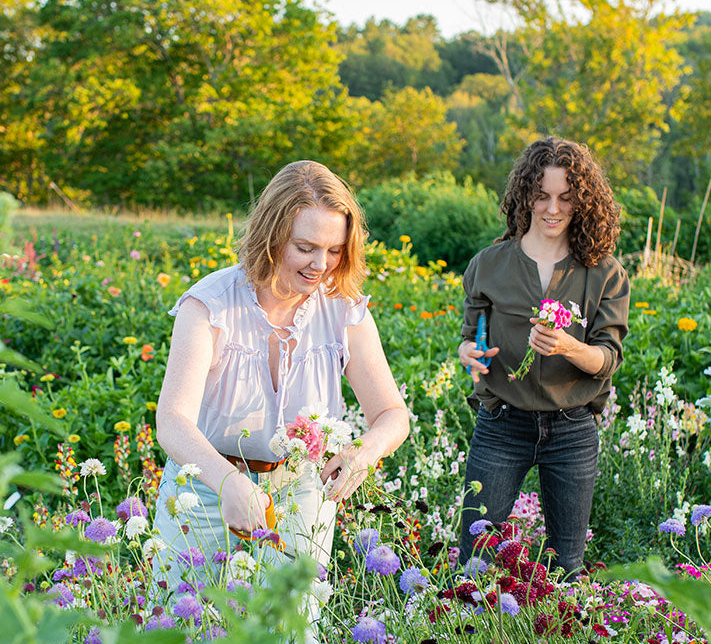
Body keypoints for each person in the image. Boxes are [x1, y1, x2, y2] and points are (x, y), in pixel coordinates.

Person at [154, 159, 409, 584]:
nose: (321, 265)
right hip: (204, 489)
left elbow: (392, 415)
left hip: (300, 493)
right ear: (271, 237)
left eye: (334, 250)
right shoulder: (210, 306)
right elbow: (172, 422)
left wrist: (362, 453)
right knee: (188, 633)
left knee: (290, 640)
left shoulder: (344, 310)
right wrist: (229, 483)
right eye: (305, 248)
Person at [457, 137, 630, 577]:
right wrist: (471, 354)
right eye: (542, 196)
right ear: (525, 196)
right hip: (502, 425)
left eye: (566, 198)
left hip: (572, 428)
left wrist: (568, 345)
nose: (553, 209)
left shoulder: (604, 272)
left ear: (583, 202)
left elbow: (608, 359)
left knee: (567, 566)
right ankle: (474, 640)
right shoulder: (489, 264)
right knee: (476, 559)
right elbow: (469, 336)